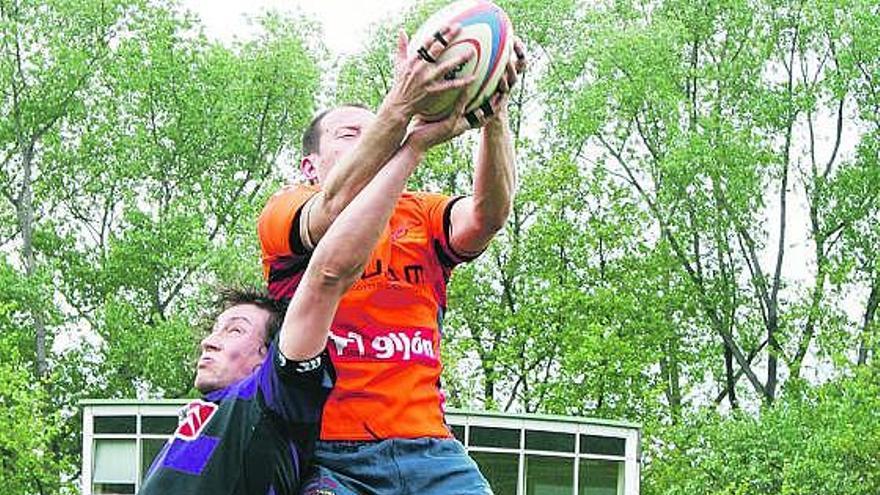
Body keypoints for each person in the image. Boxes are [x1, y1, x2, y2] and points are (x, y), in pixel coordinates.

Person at [137, 88, 456, 493]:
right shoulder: (201, 417)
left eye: (234, 330)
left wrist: (409, 136)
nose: (209, 342)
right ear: (308, 165)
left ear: (266, 357)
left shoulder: (267, 399)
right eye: (218, 329)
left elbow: (327, 278)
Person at [258, 23, 527, 495]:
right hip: (331, 451)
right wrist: (399, 109)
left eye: (377, 128)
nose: (377, 137)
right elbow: (333, 208)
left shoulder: (422, 211)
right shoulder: (286, 210)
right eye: (349, 134)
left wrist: (495, 117)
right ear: (310, 166)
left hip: (431, 450)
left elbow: (488, 216)